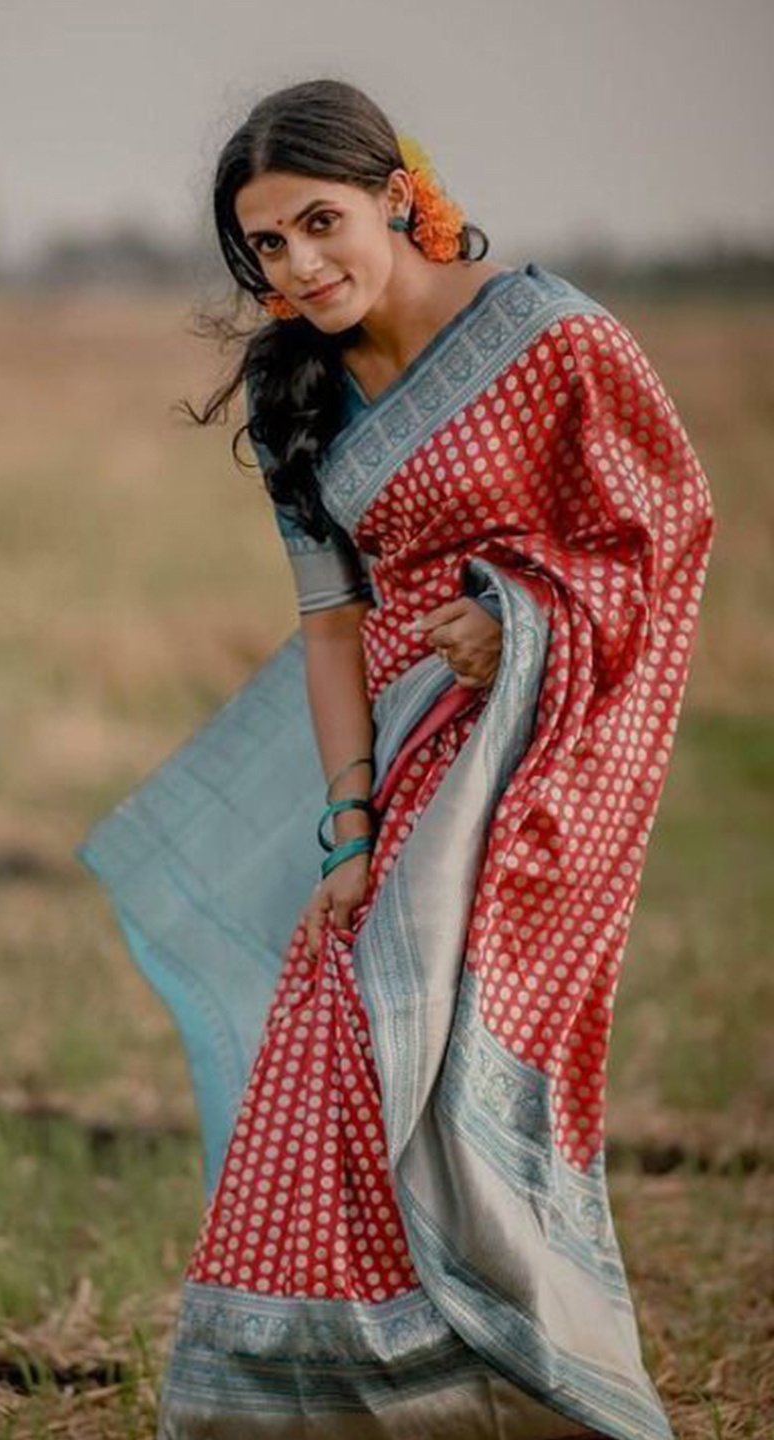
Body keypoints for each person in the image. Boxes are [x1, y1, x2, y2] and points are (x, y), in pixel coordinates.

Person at [76, 77, 715, 1440]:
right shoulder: (292, 385)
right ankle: (339, 1403)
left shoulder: (552, 338)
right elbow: (329, 625)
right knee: (335, 1032)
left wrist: (512, 620)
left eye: (321, 223)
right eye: (267, 248)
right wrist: (350, 827)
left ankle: (543, 1390)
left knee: (442, 1056)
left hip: (544, 755)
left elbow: (666, 527)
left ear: (396, 196)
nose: (301, 267)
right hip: (404, 756)